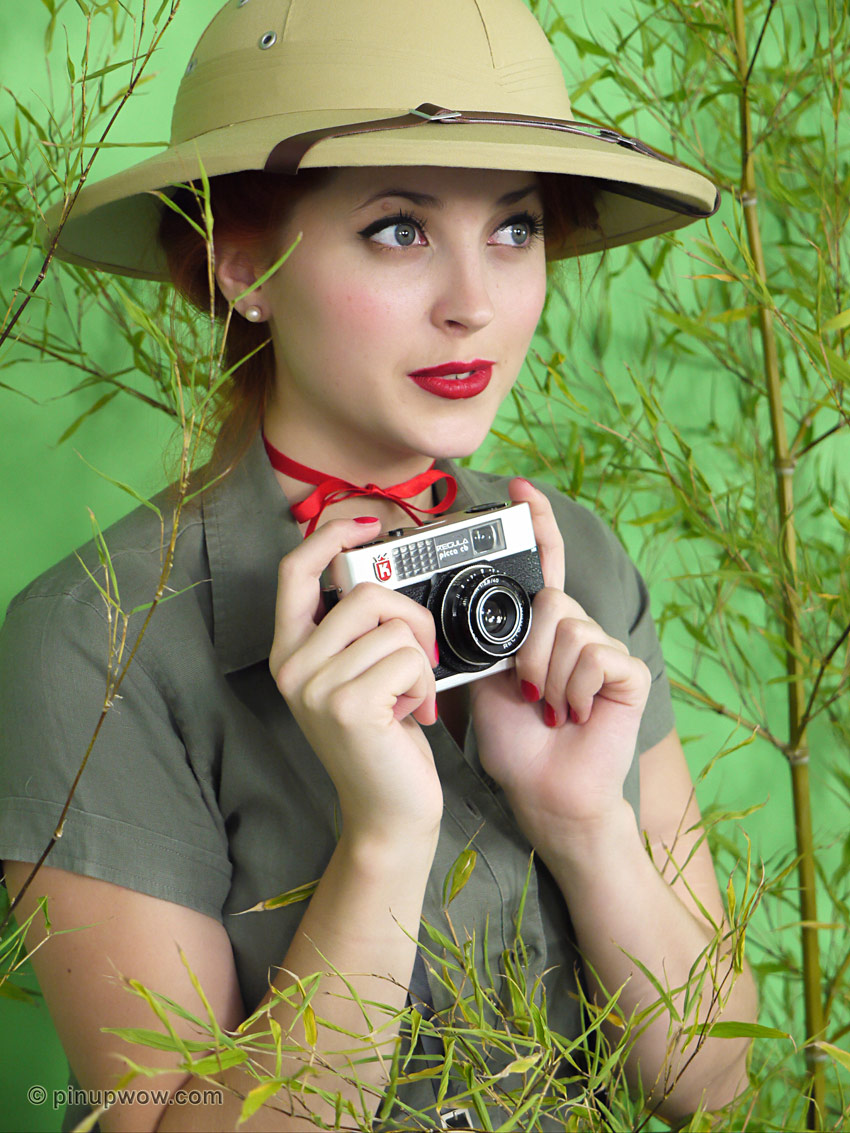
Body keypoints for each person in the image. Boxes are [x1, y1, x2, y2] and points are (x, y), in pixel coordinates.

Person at [1, 0, 757, 1129]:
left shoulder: (578, 558)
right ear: (241, 264)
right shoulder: (93, 639)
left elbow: (711, 1081)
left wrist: (583, 821)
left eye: (514, 228)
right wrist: (385, 840)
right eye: (399, 230)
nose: (474, 305)